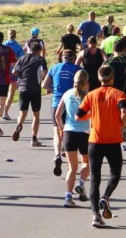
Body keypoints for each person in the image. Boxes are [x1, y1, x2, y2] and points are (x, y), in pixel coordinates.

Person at [76, 65, 126, 228]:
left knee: (95, 179)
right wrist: (121, 123)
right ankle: (105, 197)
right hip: (113, 140)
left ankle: (96, 215)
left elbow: (78, 116)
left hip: (95, 141)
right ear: (112, 78)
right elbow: (124, 111)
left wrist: (93, 115)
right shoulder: (118, 94)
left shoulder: (91, 95)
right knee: (115, 174)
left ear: (99, 79)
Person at [54, 70, 91, 208]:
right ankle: (81, 184)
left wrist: (61, 129)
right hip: (84, 133)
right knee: (86, 162)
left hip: (69, 132)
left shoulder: (67, 94)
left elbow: (58, 115)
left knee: (71, 167)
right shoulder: (88, 96)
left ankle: (68, 197)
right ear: (86, 83)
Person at [44, 50, 81, 177]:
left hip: (56, 102)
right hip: (71, 102)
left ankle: (57, 155)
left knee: (56, 131)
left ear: (62, 58)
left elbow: (44, 85)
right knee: (70, 130)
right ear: (73, 58)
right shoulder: (77, 68)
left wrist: (52, 89)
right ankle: (70, 166)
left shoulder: (54, 68)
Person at [11, 42, 48, 147]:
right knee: (36, 115)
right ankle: (34, 139)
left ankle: (19, 125)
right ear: (39, 50)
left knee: (22, 113)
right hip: (35, 89)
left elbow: (14, 71)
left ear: (30, 49)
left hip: (23, 88)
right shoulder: (41, 60)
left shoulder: (22, 58)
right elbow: (45, 74)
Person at [2, 29, 25, 120]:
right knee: (11, 93)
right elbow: (22, 59)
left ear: (7, 35)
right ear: (15, 36)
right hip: (14, 71)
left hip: (3, 70)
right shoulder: (18, 46)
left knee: (2, 92)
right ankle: (5, 111)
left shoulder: (3, 45)